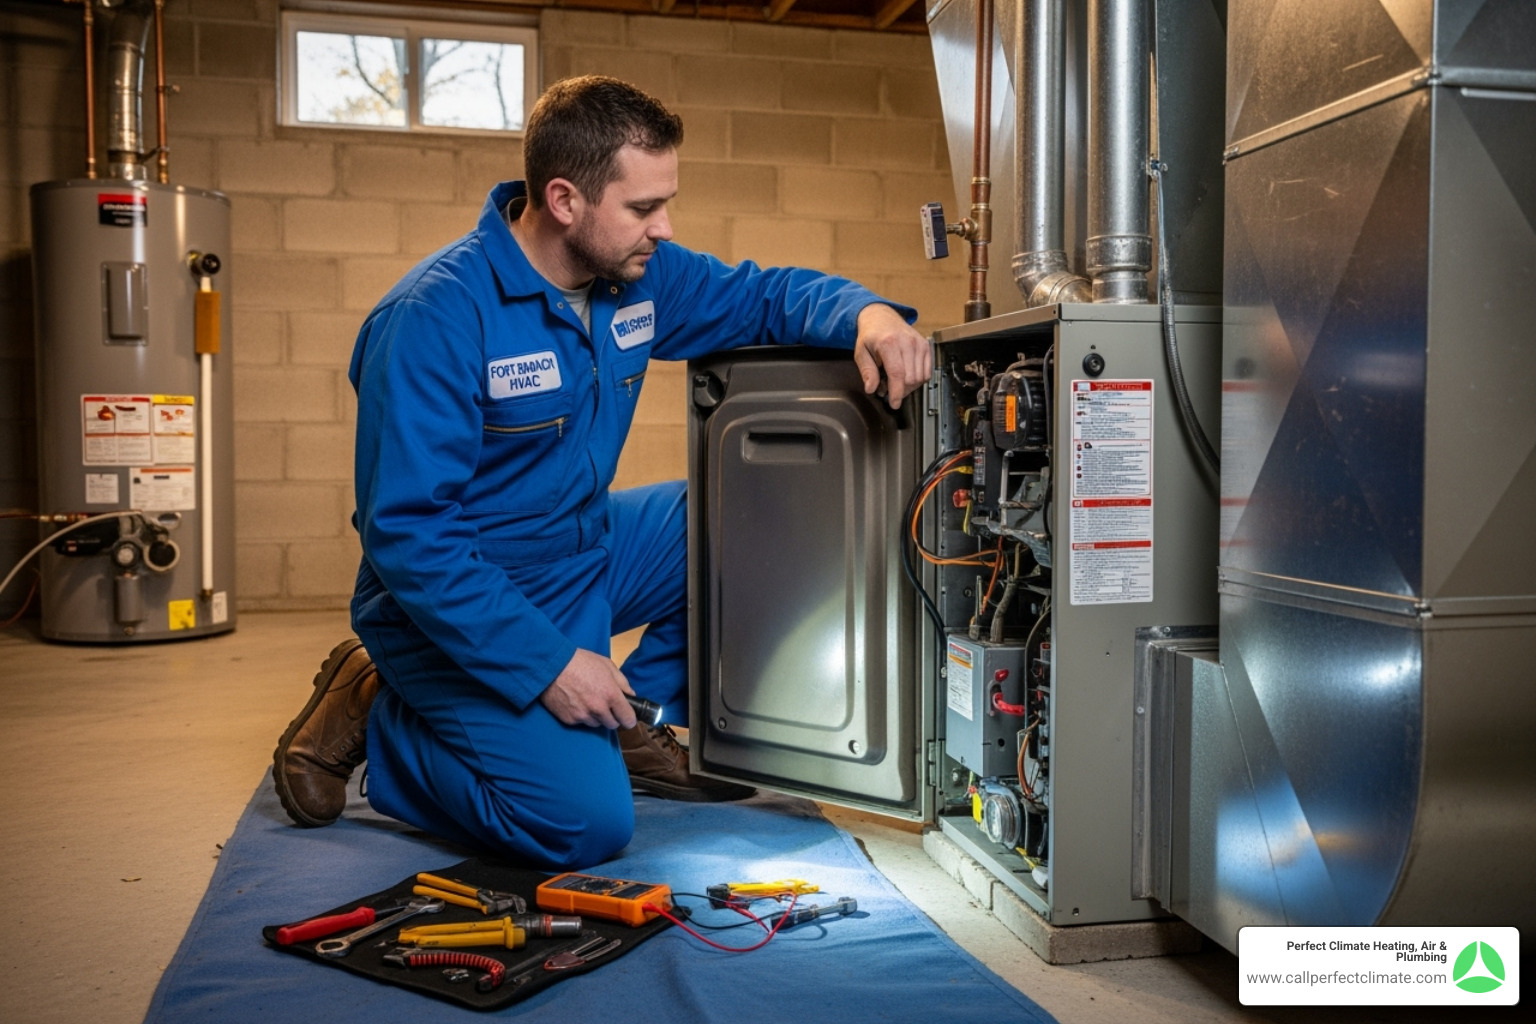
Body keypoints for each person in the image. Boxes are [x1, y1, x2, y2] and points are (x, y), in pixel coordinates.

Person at [272, 76, 932, 870]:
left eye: (667, 203)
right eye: (644, 208)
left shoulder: (636, 277)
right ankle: (381, 711)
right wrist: (548, 665)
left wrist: (869, 315)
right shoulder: (433, 319)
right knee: (583, 827)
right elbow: (410, 537)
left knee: (749, 511)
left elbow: (763, 295)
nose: (665, 227)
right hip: (453, 600)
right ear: (564, 200)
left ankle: (629, 716)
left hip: (580, 553)